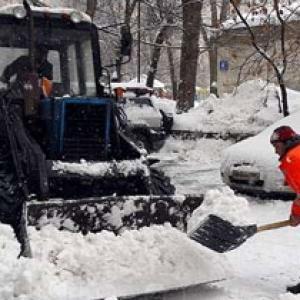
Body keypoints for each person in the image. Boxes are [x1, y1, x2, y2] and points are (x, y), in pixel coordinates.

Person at [270, 125, 300, 294]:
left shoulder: (293, 158)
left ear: (287, 142)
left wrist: (296, 214)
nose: (275, 152)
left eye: (277, 146)